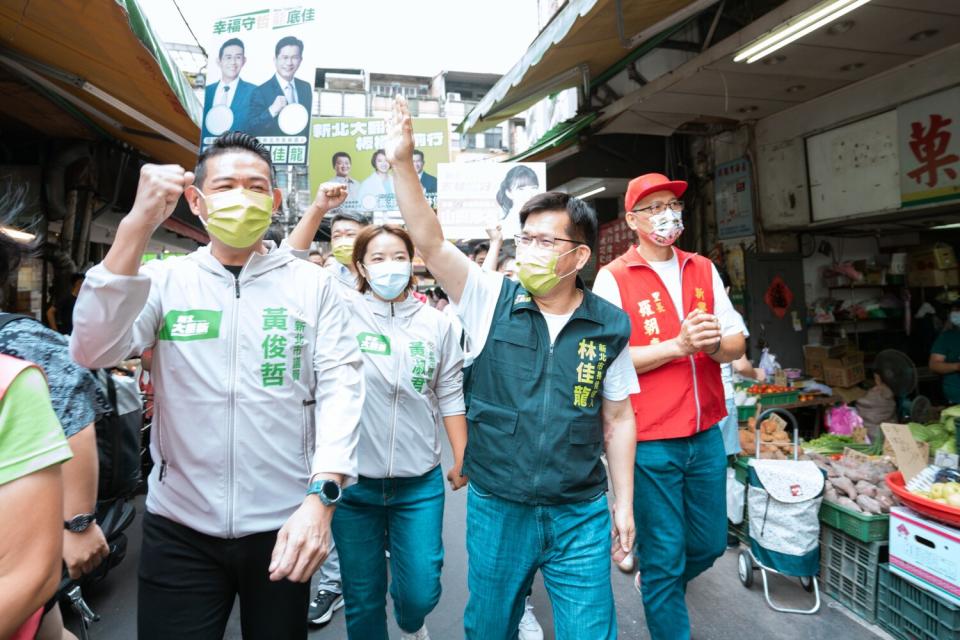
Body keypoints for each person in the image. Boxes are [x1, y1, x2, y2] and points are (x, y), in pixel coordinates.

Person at [70, 132, 364, 639]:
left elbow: (342, 385)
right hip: (178, 526)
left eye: (256, 186)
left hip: (283, 523)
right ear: (197, 200)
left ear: (274, 201)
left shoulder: (312, 286)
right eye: (226, 185)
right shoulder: (164, 281)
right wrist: (137, 223)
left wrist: (322, 498)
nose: (242, 196)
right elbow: (92, 349)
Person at [386, 95, 637, 640]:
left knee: (591, 630)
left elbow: (617, 419)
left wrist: (624, 504)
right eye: (526, 239)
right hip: (500, 505)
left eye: (546, 241)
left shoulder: (610, 326)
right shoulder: (489, 297)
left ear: (579, 257)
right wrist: (403, 163)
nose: (530, 251)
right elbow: (428, 240)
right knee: (491, 626)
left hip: (581, 509)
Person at [592, 173, 746, 640]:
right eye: (655, 206)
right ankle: (660, 583)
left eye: (673, 204)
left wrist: (713, 343)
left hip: (705, 433)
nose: (668, 213)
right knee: (664, 552)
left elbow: (736, 341)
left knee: (709, 543)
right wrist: (677, 345)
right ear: (633, 220)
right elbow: (604, 361)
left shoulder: (701, 267)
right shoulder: (613, 277)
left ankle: (660, 581)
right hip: (650, 438)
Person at [295, 223, 467, 640]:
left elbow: (448, 390)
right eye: (377, 258)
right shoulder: (340, 310)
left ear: (412, 264)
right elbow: (293, 262)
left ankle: (412, 625)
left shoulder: (437, 324)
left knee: (420, 592)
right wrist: (318, 207)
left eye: (398, 257)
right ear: (360, 266)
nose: (389, 266)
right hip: (353, 483)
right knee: (362, 595)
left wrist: (462, 455)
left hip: (419, 483)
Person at [247, 36, 312, 137]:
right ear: (275, 59)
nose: (289, 63)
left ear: (300, 60)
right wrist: (272, 110)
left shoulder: (305, 87)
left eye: (294, 58)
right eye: (284, 57)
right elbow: (252, 129)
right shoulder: (260, 91)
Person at [202, 38, 255, 143]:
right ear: (219, 61)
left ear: (244, 61)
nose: (233, 62)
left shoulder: (254, 92)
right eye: (228, 57)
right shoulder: (207, 92)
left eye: (238, 57)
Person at [930, 301, 960, 404]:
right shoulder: (947, 337)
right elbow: (934, 365)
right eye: (954, 310)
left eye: (958, 310)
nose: (955, 313)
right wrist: (957, 366)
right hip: (956, 398)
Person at [496, 165, 540, 233]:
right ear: (509, 193)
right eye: (521, 189)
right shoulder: (504, 227)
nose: (529, 194)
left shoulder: (541, 220)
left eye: (534, 188)